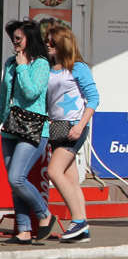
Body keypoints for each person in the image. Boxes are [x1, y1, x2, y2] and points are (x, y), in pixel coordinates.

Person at [0, 20, 55, 245]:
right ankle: (23, 230)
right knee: (14, 182)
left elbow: (32, 92)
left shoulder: (40, 64)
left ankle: (44, 215)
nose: (14, 40)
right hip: (9, 128)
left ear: (29, 39)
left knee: (17, 177)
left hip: (33, 129)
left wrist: (23, 66)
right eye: (12, 37)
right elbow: (4, 95)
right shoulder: (10, 62)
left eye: (18, 37)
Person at [44, 25, 99, 243]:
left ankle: (78, 220)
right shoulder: (49, 68)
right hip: (55, 127)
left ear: (62, 44)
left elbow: (93, 98)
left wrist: (80, 125)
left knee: (54, 171)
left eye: (52, 42)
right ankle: (82, 229)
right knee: (71, 179)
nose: (48, 45)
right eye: (47, 41)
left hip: (73, 128)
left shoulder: (77, 67)